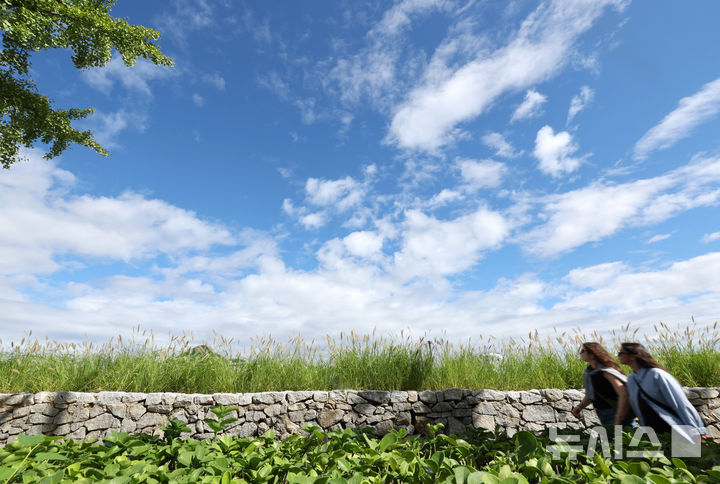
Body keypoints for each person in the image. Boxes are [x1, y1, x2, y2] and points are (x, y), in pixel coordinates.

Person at [617, 342, 706, 443]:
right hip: (654, 435)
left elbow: (680, 404)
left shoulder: (657, 375)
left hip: (675, 429)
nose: (618, 355)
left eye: (621, 353)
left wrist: (696, 431)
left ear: (632, 356)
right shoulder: (631, 379)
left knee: (688, 458)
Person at [571, 342, 634, 426]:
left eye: (583, 350)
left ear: (592, 354)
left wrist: (619, 417)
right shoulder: (590, 373)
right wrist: (579, 407)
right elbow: (591, 395)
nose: (580, 352)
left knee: (623, 439)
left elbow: (623, 393)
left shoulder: (606, 372)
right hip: (603, 414)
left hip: (616, 413)